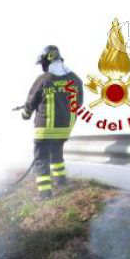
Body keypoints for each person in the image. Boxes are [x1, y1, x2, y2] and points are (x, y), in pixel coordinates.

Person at [21, 45, 83, 199]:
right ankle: (61, 182)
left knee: (41, 160)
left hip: (45, 130)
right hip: (64, 129)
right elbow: (79, 103)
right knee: (57, 156)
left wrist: (25, 113)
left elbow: (30, 103)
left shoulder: (43, 80)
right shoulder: (75, 79)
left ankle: (45, 194)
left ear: (47, 61)